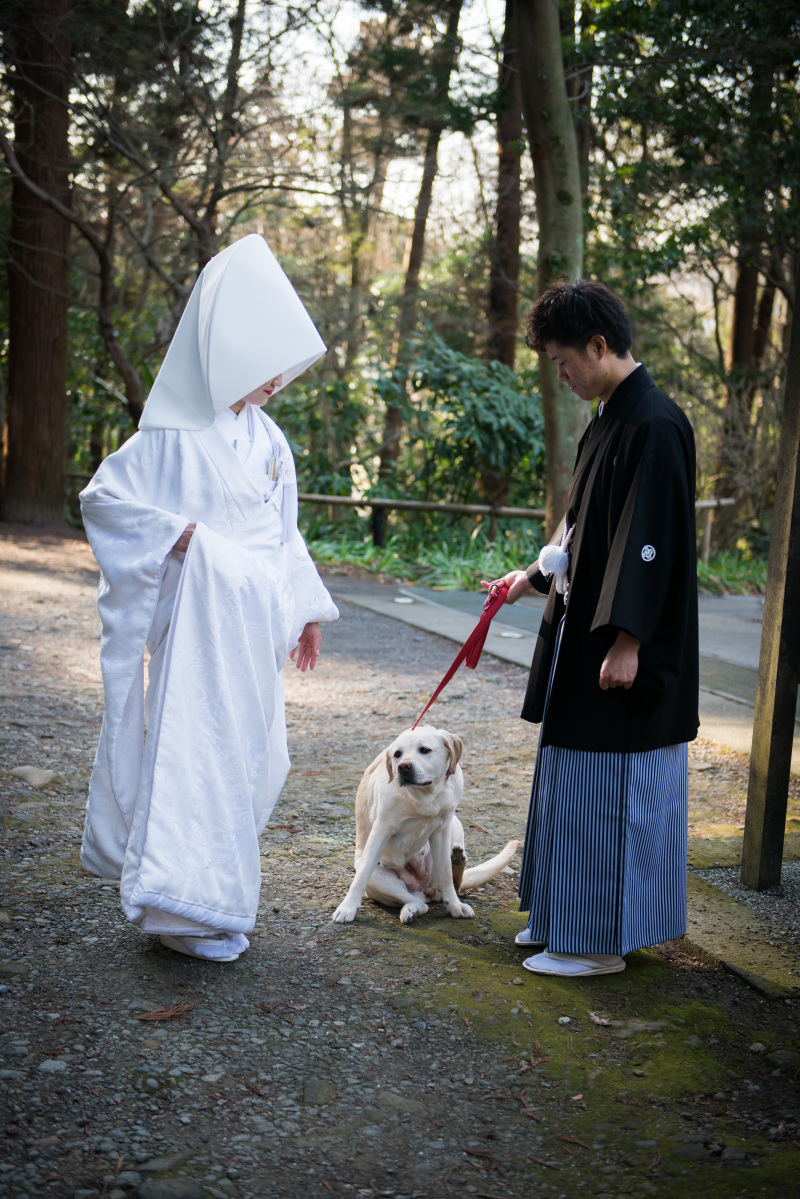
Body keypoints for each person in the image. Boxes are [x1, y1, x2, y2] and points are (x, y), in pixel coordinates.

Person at [80, 234, 339, 963]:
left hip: (252, 623)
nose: (278, 379)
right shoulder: (170, 436)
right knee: (190, 754)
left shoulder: (272, 444)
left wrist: (306, 610)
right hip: (196, 628)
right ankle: (177, 904)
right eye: (269, 362)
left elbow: (282, 536)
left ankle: (218, 897)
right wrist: (177, 534)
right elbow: (105, 501)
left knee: (251, 757)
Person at [483, 279, 698, 978]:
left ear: (599, 346)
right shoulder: (610, 416)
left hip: (622, 647)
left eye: (563, 360)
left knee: (611, 788)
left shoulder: (656, 423)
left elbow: (651, 541)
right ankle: (560, 916)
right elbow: (580, 526)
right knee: (571, 777)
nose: (561, 373)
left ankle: (597, 942)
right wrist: (532, 577)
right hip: (586, 634)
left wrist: (629, 641)